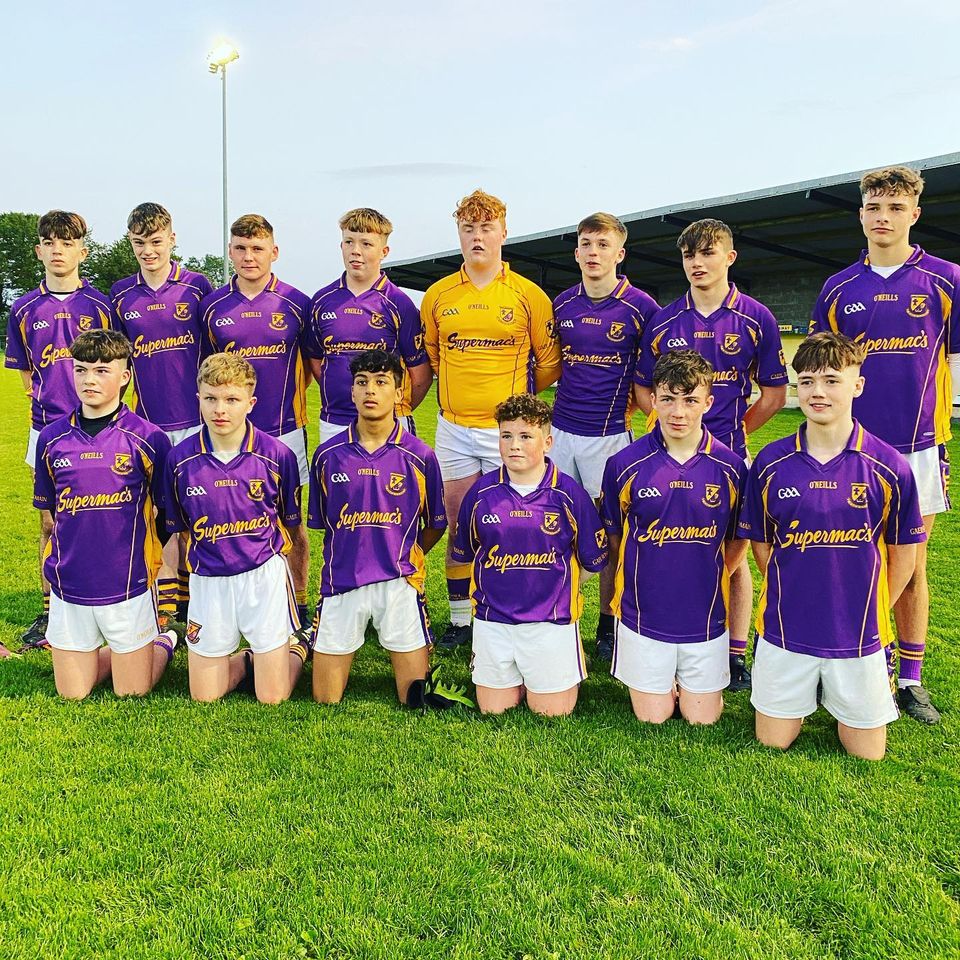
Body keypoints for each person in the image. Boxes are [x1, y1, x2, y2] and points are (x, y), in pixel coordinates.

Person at [810, 165, 959, 724]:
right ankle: (854, 656)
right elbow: (822, 369)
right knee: (848, 555)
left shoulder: (946, 280)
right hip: (851, 447)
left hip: (919, 445)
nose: (883, 217)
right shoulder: (838, 288)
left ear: (914, 214)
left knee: (911, 562)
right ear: (861, 215)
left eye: (895, 208)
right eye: (874, 207)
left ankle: (910, 678)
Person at [739, 332, 925, 760]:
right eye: (806, 381)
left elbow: (904, 555)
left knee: (867, 753)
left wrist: (874, 607)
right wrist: (791, 587)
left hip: (858, 634)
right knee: (773, 741)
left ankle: (842, 691)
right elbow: (762, 545)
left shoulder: (889, 465)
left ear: (857, 385)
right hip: (786, 628)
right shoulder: (770, 462)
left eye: (830, 380)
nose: (817, 392)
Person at [634, 218, 788, 690]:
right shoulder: (664, 320)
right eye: (689, 255)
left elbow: (774, 395)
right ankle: (661, 636)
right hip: (667, 457)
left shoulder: (756, 318)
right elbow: (643, 389)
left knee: (733, 554)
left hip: (729, 460)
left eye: (707, 253)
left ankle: (735, 652)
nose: (697, 263)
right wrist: (675, 428)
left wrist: (729, 436)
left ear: (730, 257)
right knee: (672, 544)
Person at [421, 190, 561, 649]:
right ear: (459, 234)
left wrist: (514, 406)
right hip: (454, 428)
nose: (477, 237)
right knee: (459, 522)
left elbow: (549, 363)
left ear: (504, 232)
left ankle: (511, 610)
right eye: (468, 228)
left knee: (514, 523)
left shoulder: (528, 294)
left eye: (486, 228)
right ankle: (461, 620)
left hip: (510, 433)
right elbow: (434, 357)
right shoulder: (438, 295)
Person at [600, 351, 747, 724]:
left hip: (705, 616)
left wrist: (712, 576)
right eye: (668, 399)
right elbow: (615, 539)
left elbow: (737, 540)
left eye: (690, 401)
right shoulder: (623, 464)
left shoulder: (731, 468)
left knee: (702, 720)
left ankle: (692, 681)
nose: (678, 412)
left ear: (708, 402)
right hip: (643, 614)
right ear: (652, 400)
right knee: (654, 717)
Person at [307, 350, 461, 706]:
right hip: (341, 581)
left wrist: (401, 553)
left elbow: (434, 525)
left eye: (381, 382)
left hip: (399, 583)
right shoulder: (328, 455)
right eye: (362, 383)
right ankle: (300, 647)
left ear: (399, 391)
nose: (370, 391)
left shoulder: (420, 456)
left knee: (413, 697)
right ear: (352, 391)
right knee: (325, 698)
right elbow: (325, 522)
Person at [33, 329, 177, 698]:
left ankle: (164, 642)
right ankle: (114, 653)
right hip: (70, 583)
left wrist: (140, 555)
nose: (89, 380)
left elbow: (165, 516)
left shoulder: (149, 438)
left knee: (132, 692)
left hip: (127, 583)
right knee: (72, 694)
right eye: (81, 370)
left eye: (101, 371)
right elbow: (51, 516)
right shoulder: (51, 438)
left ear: (124, 376)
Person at [163, 354, 310, 704]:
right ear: (198, 398)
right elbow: (180, 530)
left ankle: (298, 647)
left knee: (272, 697)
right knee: (205, 696)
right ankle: (247, 660)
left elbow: (290, 527)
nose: (220, 410)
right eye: (211, 398)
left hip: (263, 579)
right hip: (209, 581)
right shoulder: (179, 459)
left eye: (231, 399)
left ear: (250, 403)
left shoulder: (278, 456)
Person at [452, 394, 608, 716]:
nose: (514, 445)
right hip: (493, 621)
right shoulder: (481, 493)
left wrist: (562, 585)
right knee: (493, 710)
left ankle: (562, 662)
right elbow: (467, 552)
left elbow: (592, 560)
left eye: (526, 436)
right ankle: (520, 673)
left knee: (551, 712)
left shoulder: (569, 494)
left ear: (547, 442)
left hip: (551, 622)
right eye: (506, 436)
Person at [551, 212, 660, 660]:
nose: (593, 252)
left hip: (610, 436)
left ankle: (608, 624)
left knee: (613, 534)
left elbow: (650, 377)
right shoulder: (562, 304)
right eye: (586, 244)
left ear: (620, 253)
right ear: (576, 253)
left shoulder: (642, 307)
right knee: (554, 526)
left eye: (602, 245)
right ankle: (558, 614)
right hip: (559, 433)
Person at [5, 211, 112, 652]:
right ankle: (50, 611)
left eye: (66, 243)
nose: (57, 251)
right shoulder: (23, 308)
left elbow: (116, 367)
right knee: (50, 520)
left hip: (100, 430)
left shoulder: (102, 306)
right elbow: (27, 377)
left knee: (104, 515)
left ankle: (107, 604)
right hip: (46, 430)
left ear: (82, 251)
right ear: (38, 251)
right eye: (49, 243)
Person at [200, 214, 312, 625]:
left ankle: (298, 603)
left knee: (291, 522)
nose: (249, 257)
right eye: (241, 248)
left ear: (274, 252)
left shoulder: (297, 303)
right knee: (226, 516)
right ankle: (230, 601)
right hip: (227, 434)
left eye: (258, 248)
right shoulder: (212, 306)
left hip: (285, 431)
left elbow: (313, 367)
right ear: (230, 252)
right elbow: (206, 372)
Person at [111, 202, 213, 627]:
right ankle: (166, 598)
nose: (148, 251)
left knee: (198, 509)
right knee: (156, 512)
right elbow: (117, 362)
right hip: (148, 424)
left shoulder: (198, 287)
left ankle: (197, 593)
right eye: (139, 243)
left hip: (198, 420)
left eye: (156, 241)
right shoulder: (121, 294)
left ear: (172, 239)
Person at [306, 208, 431, 444]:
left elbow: (421, 374)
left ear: (384, 251)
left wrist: (389, 408)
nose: (356, 251)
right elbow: (315, 360)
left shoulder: (399, 303)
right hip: (334, 421)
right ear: (341, 246)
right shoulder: (321, 301)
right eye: (349, 242)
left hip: (388, 422)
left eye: (366, 244)